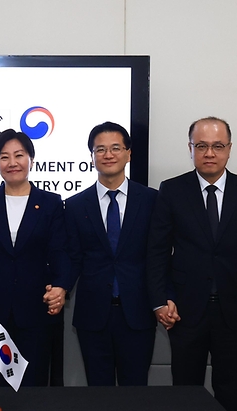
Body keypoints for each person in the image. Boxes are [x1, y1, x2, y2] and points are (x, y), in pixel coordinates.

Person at [146, 117, 237, 411]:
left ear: (229, 149)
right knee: (185, 393)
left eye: (218, 146)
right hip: (184, 310)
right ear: (190, 148)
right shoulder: (171, 190)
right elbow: (157, 252)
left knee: (231, 392)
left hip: (234, 310)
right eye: (202, 146)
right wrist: (160, 299)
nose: (210, 153)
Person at [0, 129, 70, 387]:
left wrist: (61, 285)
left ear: (31, 159)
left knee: (34, 379)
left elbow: (59, 250)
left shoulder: (50, 203)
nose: (12, 162)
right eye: (4, 157)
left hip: (37, 303)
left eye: (19, 155)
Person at [62, 121, 158, 386]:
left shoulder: (151, 201)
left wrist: (165, 298)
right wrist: (61, 287)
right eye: (100, 149)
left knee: (135, 390)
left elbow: (158, 256)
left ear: (129, 153)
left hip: (137, 312)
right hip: (93, 315)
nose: (108, 155)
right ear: (92, 156)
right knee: (98, 392)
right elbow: (73, 258)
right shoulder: (74, 205)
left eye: (116, 148)